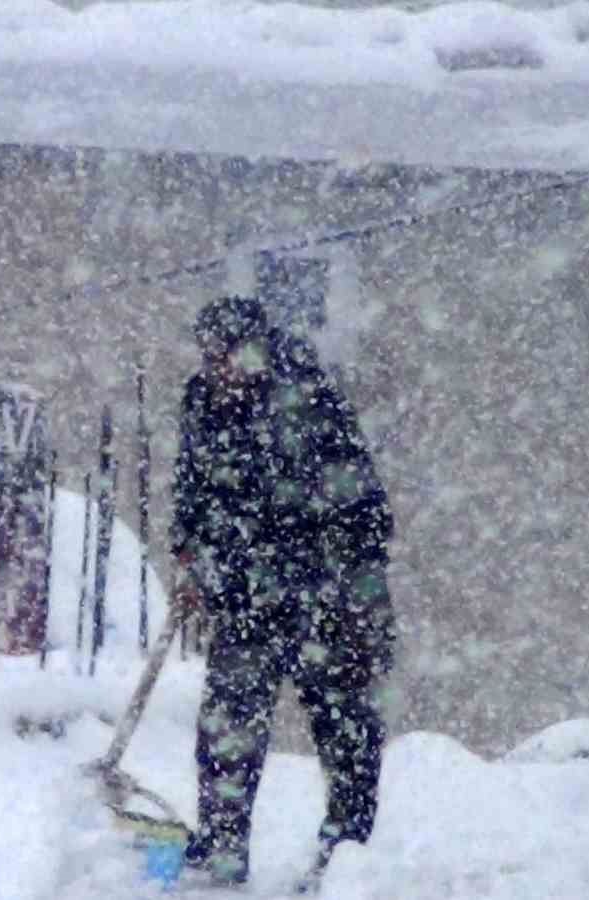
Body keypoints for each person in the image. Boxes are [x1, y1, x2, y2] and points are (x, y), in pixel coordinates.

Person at [169, 295, 396, 889]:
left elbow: (363, 508)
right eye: (210, 357)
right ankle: (219, 853)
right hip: (245, 600)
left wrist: (355, 599)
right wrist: (188, 547)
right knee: (227, 727)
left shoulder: (308, 402)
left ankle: (344, 856)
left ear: (257, 351)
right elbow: (192, 484)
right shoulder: (202, 401)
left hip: (326, 602)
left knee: (343, 731)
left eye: (228, 357)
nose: (219, 371)